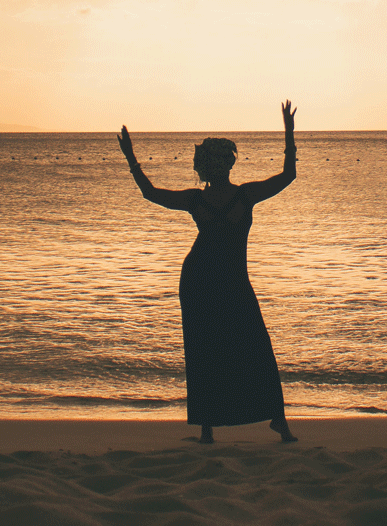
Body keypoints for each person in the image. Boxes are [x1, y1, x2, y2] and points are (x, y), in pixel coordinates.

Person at [118, 101, 299, 444]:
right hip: (218, 281)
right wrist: (288, 132)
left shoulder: (197, 200)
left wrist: (131, 158)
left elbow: (149, 192)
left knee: (213, 348)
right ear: (228, 165)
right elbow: (287, 175)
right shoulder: (244, 195)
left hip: (202, 278)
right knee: (248, 346)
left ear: (205, 167)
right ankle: (263, 423)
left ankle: (214, 428)